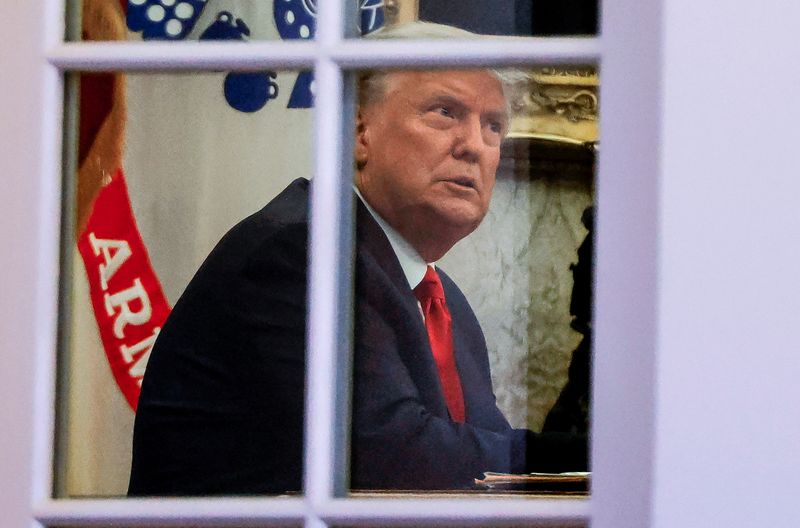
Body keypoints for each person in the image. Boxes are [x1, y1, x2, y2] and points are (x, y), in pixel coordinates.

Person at [128, 21, 587, 496]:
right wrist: (598, 456)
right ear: (358, 131)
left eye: (493, 127)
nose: (474, 145)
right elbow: (392, 453)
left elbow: (487, 460)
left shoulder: (443, 298)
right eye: (445, 112)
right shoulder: (299, 254)